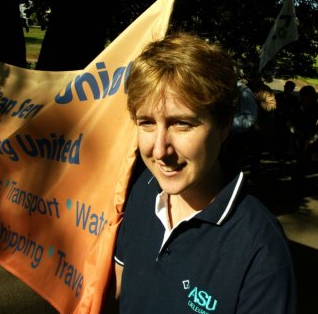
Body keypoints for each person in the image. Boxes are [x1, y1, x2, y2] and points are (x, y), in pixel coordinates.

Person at [112, 33, 297, 313]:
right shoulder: (143, 188)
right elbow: (120, 284)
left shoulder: (261, 251)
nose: (160, 151)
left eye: (182, 124)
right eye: (147, 123)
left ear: (224, 127)